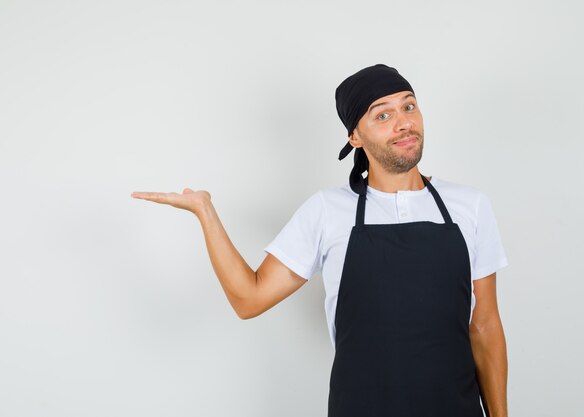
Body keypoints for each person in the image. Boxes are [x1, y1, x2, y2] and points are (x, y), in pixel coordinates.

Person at [131, 63, 509, 417]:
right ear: (355, 137)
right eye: (383, 114)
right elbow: (249, 299)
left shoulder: (469, 206)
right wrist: (205, 212)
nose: (403, 123)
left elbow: (485, 326)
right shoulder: (328, 211)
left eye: (409, 106)